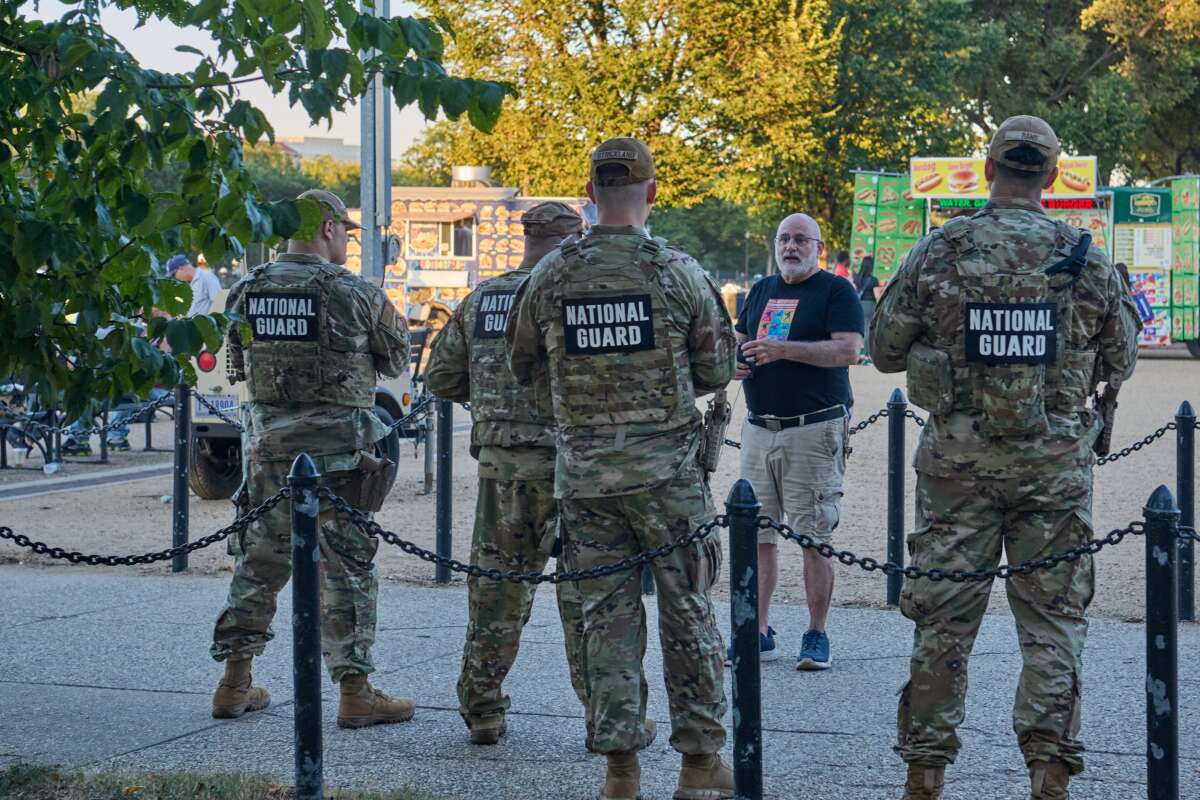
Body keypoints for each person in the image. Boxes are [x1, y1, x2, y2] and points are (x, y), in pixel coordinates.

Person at [869, 116, 1139, 800]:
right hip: (1053, 473)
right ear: (1050, 177)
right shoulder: (1085, 256)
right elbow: (1125, 358)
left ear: (988, 170)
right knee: (1052, 626)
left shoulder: (940, 249)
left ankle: (925, 774)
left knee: (943, 624)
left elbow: (884, 350)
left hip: (957, 469)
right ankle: (1049, 775)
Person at [507, 137, 737, 800]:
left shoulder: (551, 274)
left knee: (604, 624)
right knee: (688, 610)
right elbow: (716, 368)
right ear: (653, 193)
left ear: (591, 193)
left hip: (584, 480)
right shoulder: (676, 269)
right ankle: (698, 768)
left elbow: (523, 366)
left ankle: (620, 770)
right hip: (667, 477)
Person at [208, 189, 415, 729]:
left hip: (266, 456)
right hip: (337, 462)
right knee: (346, 571)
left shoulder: (245, 291)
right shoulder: (354, 292)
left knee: (256, 565)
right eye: (345, 230)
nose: (347, 239)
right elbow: (396, 358)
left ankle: (233, 683)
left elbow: (237, 360)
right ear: (327, 227)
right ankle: (355, 692)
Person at [424, 202, 591, 746]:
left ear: (526, 240)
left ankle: (483, 710)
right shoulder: (576, 296)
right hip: (571, 472)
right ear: (572, 241)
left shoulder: (483, 300)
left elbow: (442, 376)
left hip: (502, 473)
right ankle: (603, 716)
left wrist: (493, 399)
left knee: (495, 596)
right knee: (585, 599)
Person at [732, 213, 863, 670]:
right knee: (757, 536)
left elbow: (848, 350)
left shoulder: (835, 291)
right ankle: (758, 631)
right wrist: (737, 358)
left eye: (800, 239)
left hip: (813, 428)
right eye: (783, 238)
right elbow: (743, 338)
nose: (790, 246)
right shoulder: (761, 290)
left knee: (814, 535)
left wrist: (783, 349)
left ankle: (816, 633)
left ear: (818, 247)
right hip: (758, 428)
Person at [856, 256, 881, 364]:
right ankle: (866, 354)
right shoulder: (873, 280)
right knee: (868, 330)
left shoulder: (856, 278)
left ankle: (859, 353)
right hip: (870, 305)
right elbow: (877, 296)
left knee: (860, 329)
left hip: (858, 305)